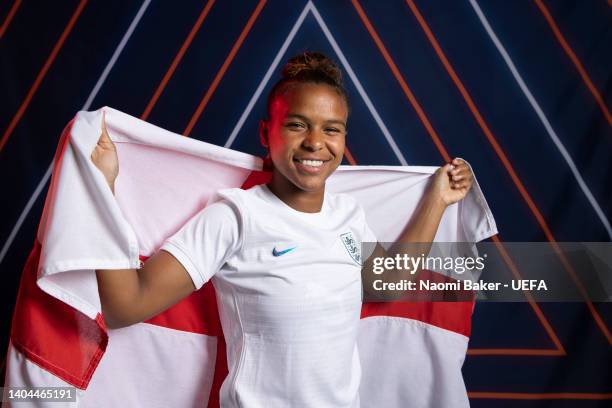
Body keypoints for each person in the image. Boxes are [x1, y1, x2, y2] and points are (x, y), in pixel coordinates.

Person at [92, 51, 474, 407]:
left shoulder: (348, 216)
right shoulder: (236, 217)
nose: (315, 143)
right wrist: (102, 191)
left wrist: (436, 201)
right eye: (297, 124)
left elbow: (384, 283)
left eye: (332, 129)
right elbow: (127, 305)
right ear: (265, 132)